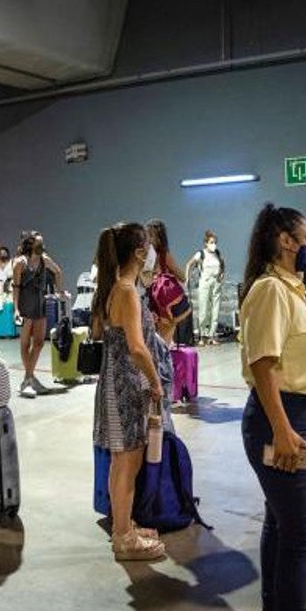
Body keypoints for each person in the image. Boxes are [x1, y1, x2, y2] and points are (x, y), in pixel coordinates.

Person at [238, 204, 306, 611]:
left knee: (280, 523)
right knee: (299, 536)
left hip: (295, 417)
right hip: (282, 419)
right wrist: (282, 430)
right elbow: (262, 363)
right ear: (286, 241)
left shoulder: (292, 288)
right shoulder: (270, 290)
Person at [91, 222, 165, 561]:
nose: (152, 252)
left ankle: (124, 524)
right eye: (148, 246)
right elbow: (137, 347)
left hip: (119, 384)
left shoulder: (119, 287)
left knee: (123, 461)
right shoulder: (126, 291)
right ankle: (123, 537)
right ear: (138, 252)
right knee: (126, 462)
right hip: (126, 386)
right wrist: (155, 382)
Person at [13, 231, 64, 398]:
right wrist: (16, 309)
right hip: (26, 305)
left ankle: (28, 378)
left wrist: (58, 290)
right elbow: (16, 287)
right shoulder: (20, 263)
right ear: (31, 244)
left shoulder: (45, 260)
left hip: (40, 304)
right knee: (25, 343)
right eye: (39, 243)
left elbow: (57, 271)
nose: (42, 246)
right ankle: (28, 379)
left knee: (39, 343)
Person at [144, 220, 192, 345]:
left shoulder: (144, 256)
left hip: (152, 303)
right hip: (165, 305)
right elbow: (181, 276)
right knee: (164, 343)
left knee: (156, 340)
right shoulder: (164, 256)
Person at [185, 230, 226, 345]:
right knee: (204, 308)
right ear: (206, 243)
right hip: (204, 282)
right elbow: (189, 264)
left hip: (216, 282)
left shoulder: (217, 253)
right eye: (212, 242)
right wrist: (187, 278)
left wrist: (222, 274)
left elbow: (222, 264)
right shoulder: (201, 254)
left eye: (215, 242)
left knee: (215, 308)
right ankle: (203, 335)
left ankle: (212, 335)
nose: (214, 244)